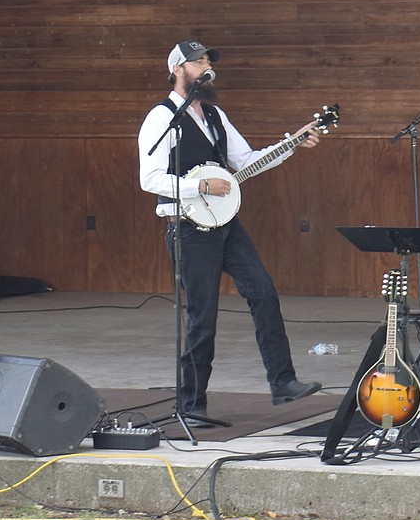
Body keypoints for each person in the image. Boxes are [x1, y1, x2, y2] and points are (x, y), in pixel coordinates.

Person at [138, 39, 323, 427]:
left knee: (263, 291)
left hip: (226, 226)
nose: (206, 66)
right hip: (188, 229)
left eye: (207, 60)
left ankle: (283, 381)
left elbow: (249, 162)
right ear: (178, 71)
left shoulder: (217, 117)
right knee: (202, 317)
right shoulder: (161, 119)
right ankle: (192, 404)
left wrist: (291, 144)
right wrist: (199, 187)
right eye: (197, 62)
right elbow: (149, 177)